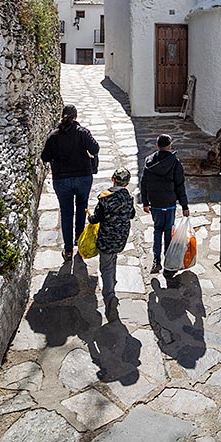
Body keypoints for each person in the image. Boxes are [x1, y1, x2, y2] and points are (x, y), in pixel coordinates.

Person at [41, 105, 100, 261]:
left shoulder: (53, 135)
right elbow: (95, 148)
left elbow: (45, 157)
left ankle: (68, 250)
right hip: (83, 177)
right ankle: (79, 243)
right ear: (76, 116)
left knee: (66, 213)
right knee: (82, 208)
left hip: (61, 179)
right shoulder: (82, 133)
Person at [88, 168, 136, 316]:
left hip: (106, 238)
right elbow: (132, 214)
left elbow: (96, 218)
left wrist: (90, 218)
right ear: (127, 183)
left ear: (112, 178)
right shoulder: (128, 198)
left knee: (106, 267)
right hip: (121, 238)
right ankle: (112, 283)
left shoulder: (104, 199)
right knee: (112, 260)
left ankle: (109, 297)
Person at [140, 134, 189, 274]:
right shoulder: (175, 163)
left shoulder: (149, 162)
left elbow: (144, 184)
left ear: (157, 145)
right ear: (170, 145)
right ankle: (168, 260)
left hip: (155, 203)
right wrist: (184, 205)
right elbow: (180, 186)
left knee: (157, 230)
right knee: (168, 231)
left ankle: (156, 260)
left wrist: (145, 202)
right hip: (170, 203)